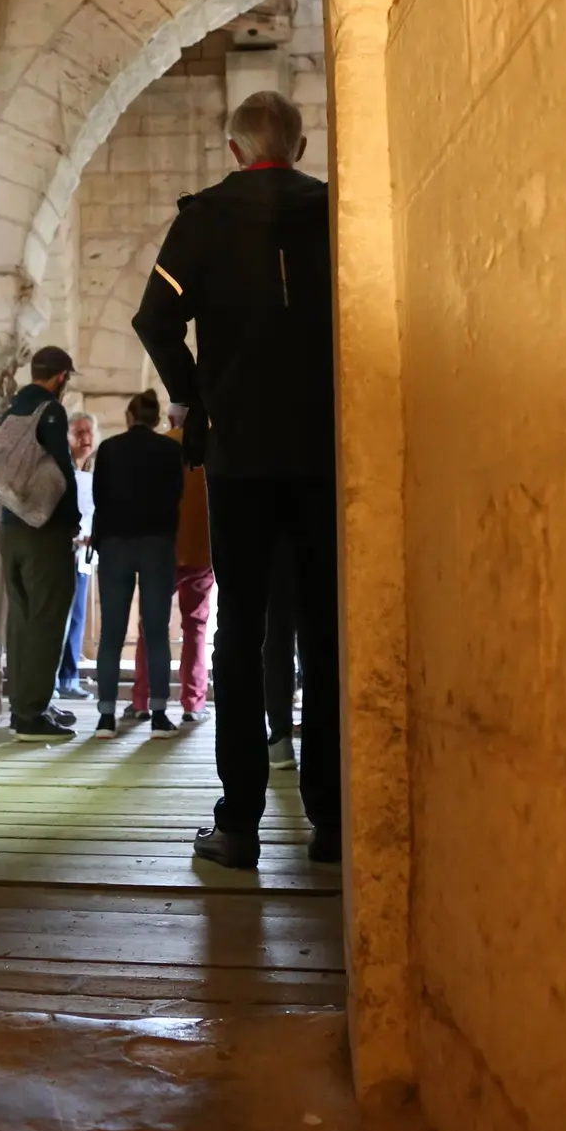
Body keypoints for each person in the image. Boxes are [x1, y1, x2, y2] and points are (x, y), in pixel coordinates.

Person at [132, 89, 340, 869]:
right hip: (324, 447)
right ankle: (334, 819)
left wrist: (196, 397)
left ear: (232, 149)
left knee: (240, 631)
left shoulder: (205, 217)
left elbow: (154, 318)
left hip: (239, 452)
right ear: (301, 145)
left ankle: (241, 823)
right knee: (326, 630)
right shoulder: (336, 213)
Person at [0, 345, 82, 741]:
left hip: (10, 524)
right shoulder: (51, 410)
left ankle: (24, 706)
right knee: (48, 618)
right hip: (43, 528)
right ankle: (32, 714)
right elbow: (63, 468)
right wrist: (73, 518)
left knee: (21, 619)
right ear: (61, 377)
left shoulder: (11, 409)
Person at [90, 390, 184, 739]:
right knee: (157, 631)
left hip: (115, 543)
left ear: (129, 417)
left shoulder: (109, 449)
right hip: (157, 543)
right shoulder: (170, 450)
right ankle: (158, 715)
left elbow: (99, 497)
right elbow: (176, 495)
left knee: (111, 633)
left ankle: (105, 718)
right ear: (157, 418)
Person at [127, 403, 213, 725]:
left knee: (151, 626)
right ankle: (193, 703)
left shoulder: (157, 449)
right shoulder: (211, 448)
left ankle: (142, 700)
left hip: (161, 549)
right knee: (196, 626)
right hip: (201, 550)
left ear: (170, 418)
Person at [57, 412, 97, 700]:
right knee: (62, 617)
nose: (85, 438)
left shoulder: (93, 470)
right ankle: (54, 680)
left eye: (88, 432)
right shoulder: (61, 470)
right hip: (64, 549)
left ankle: (69, 678)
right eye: (78, 432)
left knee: (78, 616)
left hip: (85, 552)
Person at [262, 533, 299, 768]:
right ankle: (326, 740)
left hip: (272, 541)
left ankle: (280, 738)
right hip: (321, 534)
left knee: (276, 639)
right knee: (321, 640)